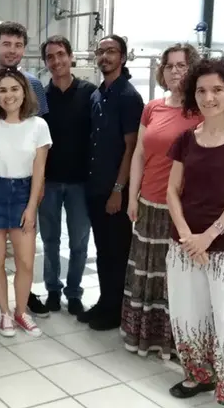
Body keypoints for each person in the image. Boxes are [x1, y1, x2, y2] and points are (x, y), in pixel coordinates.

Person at [165, 57, 224, 407]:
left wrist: (207, 236)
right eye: (202, 90)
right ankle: (198, 375)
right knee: (186, 315)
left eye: (217, 90)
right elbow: (172, 192)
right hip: (183, 245)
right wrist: (187, 235)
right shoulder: (185, 140)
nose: (209, 98)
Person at [121, 43, 202, 359]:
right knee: (148, 274)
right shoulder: (152, 107)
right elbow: (140, 153)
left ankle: (174, 342)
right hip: (149, 203)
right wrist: (133, 197)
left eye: (182, 65)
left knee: (175, 279)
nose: (175, 72)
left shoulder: (200, 111)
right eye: (169, 66)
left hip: (181, 210)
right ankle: (144, 337)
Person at [0, 21, 50, 322]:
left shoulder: (35, 84)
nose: (12, 50)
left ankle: (23, 299)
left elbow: (39, 143)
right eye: (7, 44)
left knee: (23, 251)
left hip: (23, 182)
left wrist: (37, 188)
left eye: (18, 45)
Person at [83, 35, 144, 331]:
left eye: (111, 51)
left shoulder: (128, 97)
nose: (105, 56)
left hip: (114, 190)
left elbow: (131, 148)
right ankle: (106, 302)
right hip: (95, 186)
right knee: (103, 250)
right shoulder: (98, 94)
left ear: (123, 57)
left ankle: (116, 309)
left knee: (117, 251)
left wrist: (119, 190)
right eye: (101, 51)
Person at [38, 35, 96, 316]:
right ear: (45, 62)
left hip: (80, 182)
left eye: (61, 54)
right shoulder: (41, 97)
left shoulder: (89, 92)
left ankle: (73, 292)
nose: (56, 61)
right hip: (48, 181)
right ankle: (52, 289)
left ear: (70, 56)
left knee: (79, 241)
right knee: (49, 239)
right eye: (50, 57)